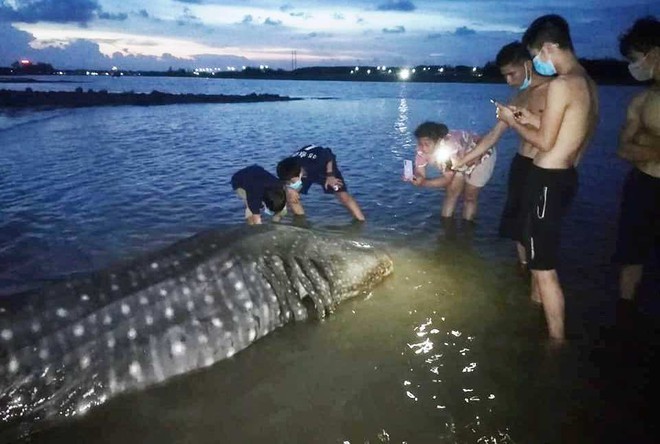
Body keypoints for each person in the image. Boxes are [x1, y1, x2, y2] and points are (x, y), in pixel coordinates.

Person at [495, 14, 599, 341]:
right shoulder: (587, 83)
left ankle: (556, 343)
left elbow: (543, 143)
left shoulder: (561, 85)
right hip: (566, 176)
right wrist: (528, 119)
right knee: (540, 253)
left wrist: (512, 122)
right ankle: (534, 312)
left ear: (550, 47)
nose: (538, 62)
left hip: (548, 180)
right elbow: (566, 132)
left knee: (543, 266)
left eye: (538, 54)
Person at [454, 41, 550, 275]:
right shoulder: (518, 96)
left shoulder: (552, 91)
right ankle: (523, 268)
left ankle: (538, 277)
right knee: (516, 224)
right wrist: (463, 160)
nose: (508, 81)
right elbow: (492, 136)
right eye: (504, 76)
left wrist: (514, 120)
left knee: (536, 228)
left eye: (511, 74)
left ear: (528, 65)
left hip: (545, 166)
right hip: (521, 163)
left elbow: (551, 136)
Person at [613, 16, 660, 316]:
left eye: (635, 59)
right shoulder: (641, 100)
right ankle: (625, 317)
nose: (634, 67)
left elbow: (634, 146)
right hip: (643, 184)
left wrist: (646, 147)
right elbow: (622, 148)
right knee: (631, 256)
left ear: (653, 52)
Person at [406, 121, 496, 221]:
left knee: (470, 196)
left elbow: (447, 180)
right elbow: (420, 173)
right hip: (459, 160)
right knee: (451, 193)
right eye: (420, 144)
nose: (423, 148)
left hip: (481, 155)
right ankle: (446, 227)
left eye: (427, 144)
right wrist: (418, 178)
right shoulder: (421, 150)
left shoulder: (449, 150)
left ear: (438, 141)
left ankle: (467, 227)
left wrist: (424, 183)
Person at [276, 144, 366, 221]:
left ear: (299, 173)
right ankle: (301, 220)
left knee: (342, 195)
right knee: (291, 196)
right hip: (300, 168)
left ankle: (361, 220)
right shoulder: (286, 167)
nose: (290, 183)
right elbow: (283, 181)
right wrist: (289, 189)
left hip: (325, 167)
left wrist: (330, 175)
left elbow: (329, 154)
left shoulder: (317, 163)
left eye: (291, 181)